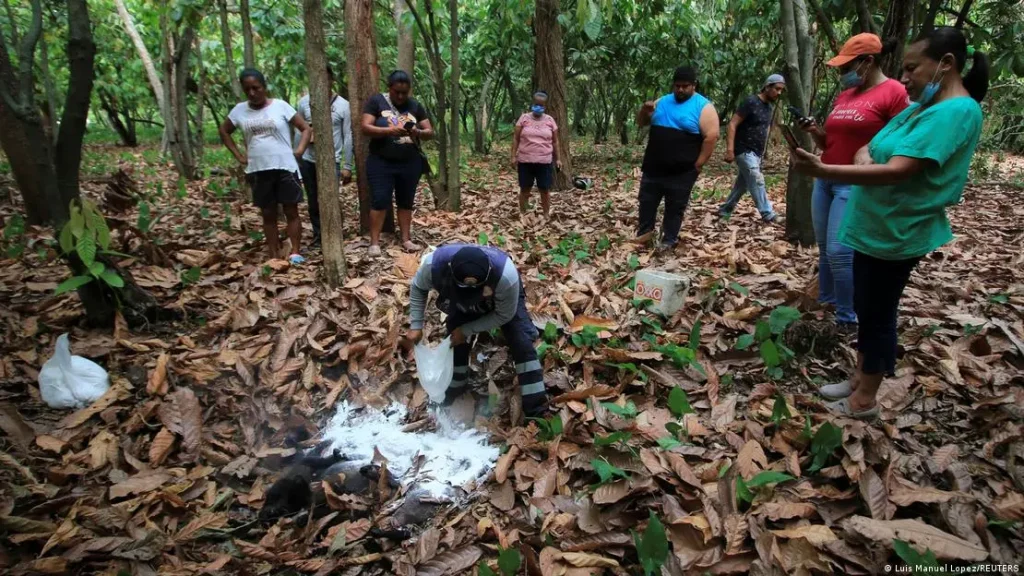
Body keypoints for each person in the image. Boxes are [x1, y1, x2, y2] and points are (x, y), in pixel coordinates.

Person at [793, 27, 988, 419]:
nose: (905, 77)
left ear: (945, 64)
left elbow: (899, 169)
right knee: (867, 305)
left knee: (879, 312)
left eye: (912, 68)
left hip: (898, 228)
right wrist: (867, 159)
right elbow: (871, 146)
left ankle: (865, 400)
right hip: (874, 222)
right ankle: (858, 379)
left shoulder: (957, 112)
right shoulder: (922, 109)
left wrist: (827, 168)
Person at [801, 34, 909, 327]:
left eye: (847, 66)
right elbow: (831, 143)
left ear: (868, 61)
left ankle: (848, 318)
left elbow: (902, 137)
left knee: (839, 251)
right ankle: (827, 303)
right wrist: (814, 131)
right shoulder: (846, 95)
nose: (841, 74)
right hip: (826, 176)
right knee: (824, 249)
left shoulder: (895, 92)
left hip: (854, 181)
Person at [403, 244, 547, 418]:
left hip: (501, 301)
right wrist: (416, 325)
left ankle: (536, 410)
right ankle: (456, 386)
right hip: (458, 297)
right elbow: (418, 288)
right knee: (455, 332)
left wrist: (467, 329)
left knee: (520, 340)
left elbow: (504, 315)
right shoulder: (433, 266)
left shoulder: (505, 276)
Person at [220, 68, 311, 264]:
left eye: (256, 88)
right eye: (248, 90)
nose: (252, 93)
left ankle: (295, 252)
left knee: (291, 210)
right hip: (258, 169)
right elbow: (225, 131)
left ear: (264, 87)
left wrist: (299, 151)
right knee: (268, 213)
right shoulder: (239, 110)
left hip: (285, 166)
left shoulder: (280, 106)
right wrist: (239, 156)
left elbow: (305, 128)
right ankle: (273, 254)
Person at [636, 66, 720, 250]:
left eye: (685, 86)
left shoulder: (704, 107)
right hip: (653, 167)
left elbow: (711, 137)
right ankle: (644, 237)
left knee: (675, 207)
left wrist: (699, 163)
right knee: (647, 203)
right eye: (677, 86)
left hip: (682, 171)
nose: (680, 90)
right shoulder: (662, 102)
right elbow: (641, 123)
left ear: (694, 85)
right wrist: (644, 111)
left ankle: (668, 240)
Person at [361, 70, 434, 256]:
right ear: (389, 89)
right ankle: (375, 242)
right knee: (380, 199)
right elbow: (365, 127)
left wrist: (417, 132)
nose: (401, 96)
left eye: (404, 92)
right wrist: (389, 131)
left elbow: (429, 131)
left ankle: (406, 239)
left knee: (406, 201)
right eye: (397, 92)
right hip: (381, 161)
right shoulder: (376, 101)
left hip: (409, 162)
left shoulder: (415, 105)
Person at [296, 66, 354, 248]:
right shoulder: (304, 103)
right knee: (313, 200)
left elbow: (348, 136)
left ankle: (335, 235)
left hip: (332, 160)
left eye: (326, 79)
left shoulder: (343, 105)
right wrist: (296, 157)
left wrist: (347, 165)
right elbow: (299, 132)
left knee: (331, 199)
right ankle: (318, 236)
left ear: (332, 80)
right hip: (308, 159)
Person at [719, 74, 785, 223]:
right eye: (776, 89)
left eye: (781, 90)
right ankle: (767, 213)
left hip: (756, 152)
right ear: (767, 87)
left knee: (742, 185)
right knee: (756, 179)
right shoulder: (751, 102)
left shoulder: (769, 107)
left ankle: (725, 209)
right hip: (743, 149)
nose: (779, 93)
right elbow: (732, 124)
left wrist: (764, 151)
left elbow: (765, 129)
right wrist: (730, 149)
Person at [512, 91, 561, 218]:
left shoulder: (550, 120)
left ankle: (545, 214)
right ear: (532, 104)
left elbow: (555, 141)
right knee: (524, 188)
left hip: (544, 161)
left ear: (545, 106)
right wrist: (513, 156)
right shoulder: (523, 118)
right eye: (536, 104)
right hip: (525, 161)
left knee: (544, 189)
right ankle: (523, 213)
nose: (538, 107)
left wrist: (558, 159)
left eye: (541, 105)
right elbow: (516, 138)